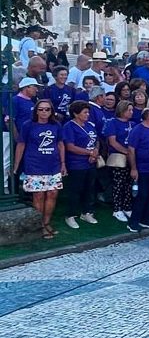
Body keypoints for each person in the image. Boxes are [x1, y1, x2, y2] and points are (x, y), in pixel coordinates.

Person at [13, 100, 65, 239]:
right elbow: (21, 145)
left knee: (53, 193)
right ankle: (39, 225)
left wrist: (63, 163)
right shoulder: (28, 125)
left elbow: (60, 144)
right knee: (39, 195)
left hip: (53, 165)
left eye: (47, 109)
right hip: (34, 165)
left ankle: (46, 222)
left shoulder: (56, 125)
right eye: (41, 109)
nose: (44, 112)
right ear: (36, 111)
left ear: (51, 111)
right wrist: (16, 166)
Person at [60, 101, 100, 230]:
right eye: (85, 112)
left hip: (90, 163)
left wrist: (95, 152)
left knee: (90, 188)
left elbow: (96, 140)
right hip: (77, 163)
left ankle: (87, 212)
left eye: (88, 112)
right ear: (76, 113)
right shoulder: (69, 126)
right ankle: (70, 215)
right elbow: (70, 146)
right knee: (75, 190)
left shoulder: (90, 125)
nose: (87, 115)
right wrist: (89, 153)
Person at [125, 107, 149, 232]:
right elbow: (131, 150)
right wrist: (134, 168)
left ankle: (146, 218)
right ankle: (134, 221)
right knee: (141, 196)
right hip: (143, 169)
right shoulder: (138, 130)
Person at [105, 100, 135, 222]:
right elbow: (112, 141)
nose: (131, 112)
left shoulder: (132, 124)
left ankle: (127, 206)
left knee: (128, 183)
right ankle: (117, 209)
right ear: (122, 110)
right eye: (129, 110)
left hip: (131, 157)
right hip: (119, 156)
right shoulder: (113, 123)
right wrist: (126, 152)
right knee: (118, 184)